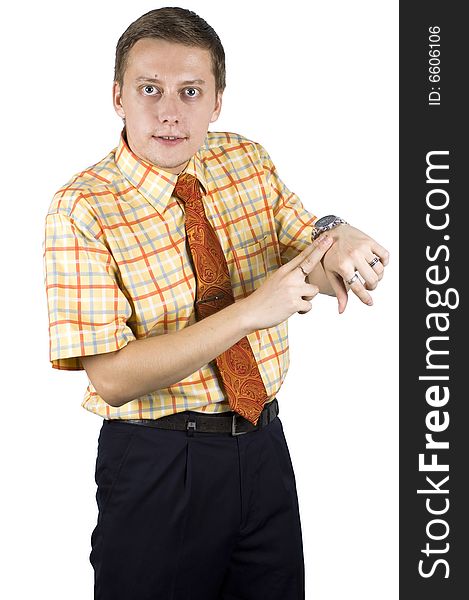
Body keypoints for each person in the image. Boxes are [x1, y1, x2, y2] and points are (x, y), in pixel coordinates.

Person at [43, 7, 389, 599]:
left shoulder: (244, 160)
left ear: (217, 101)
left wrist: (341, 233)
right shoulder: (81, 209)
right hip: (157, 464)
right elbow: (112, 376)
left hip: (262, 448)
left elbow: (310, 245)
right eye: (149, 89)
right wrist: (252, 311)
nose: (170, 112)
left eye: (190, 91)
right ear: (118, 96)